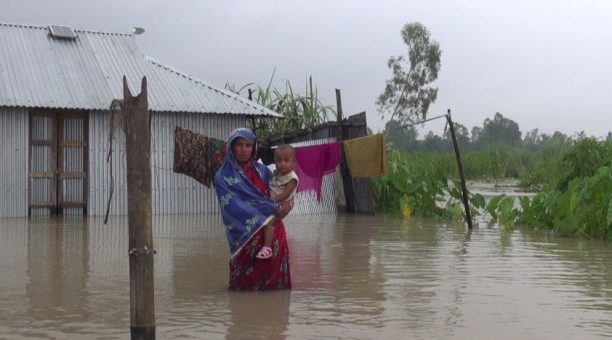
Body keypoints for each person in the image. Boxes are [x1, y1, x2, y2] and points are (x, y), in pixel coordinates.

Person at [213, 128, 293, 290]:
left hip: (272, 234)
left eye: (248, 145)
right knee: (243, 287)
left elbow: (284, 193)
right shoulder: (222, 177)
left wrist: (288, 205)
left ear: (254, 148)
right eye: (239, 145)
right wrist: (270, 207)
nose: (244, 150)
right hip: (245, 238)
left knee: (276, 292)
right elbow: (233, 208)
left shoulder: (264, 172)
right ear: (231, 147)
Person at [257, 145, 299, 259]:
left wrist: (271, 200)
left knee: (268, 222)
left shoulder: (292, 178)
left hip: (281, 205)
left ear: (293, 162)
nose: (282, 163)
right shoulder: (276, 173)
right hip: (274, 203)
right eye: (279, 160)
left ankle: (267, 248)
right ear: (274, 161)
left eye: (286, 160)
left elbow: (286, 194)